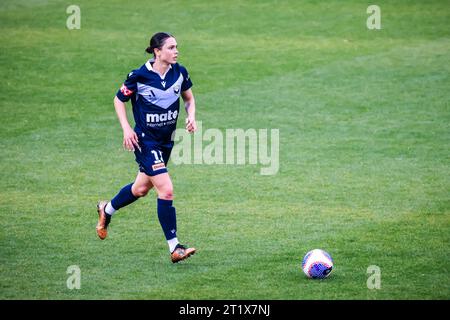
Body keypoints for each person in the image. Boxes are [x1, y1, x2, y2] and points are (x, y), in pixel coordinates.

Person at [96, 32, 197, 263]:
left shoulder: (180, 72)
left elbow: (189, 98)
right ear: (157, 51)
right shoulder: (139, 76)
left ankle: (106, 209)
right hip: (145, 140)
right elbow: (118, 99)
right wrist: (126, 128)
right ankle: (175, 247)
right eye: (171, 47)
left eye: (176, 47)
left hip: (166, 141)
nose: (176, 51)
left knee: (141, 189)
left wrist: (191, 116)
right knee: (166, 189)